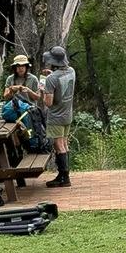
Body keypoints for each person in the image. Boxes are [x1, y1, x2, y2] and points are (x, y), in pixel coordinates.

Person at [38, 44, 77, 187]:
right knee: (65, 144)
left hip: (56, 116)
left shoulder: (51, 79)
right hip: (68, 114)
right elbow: (61, 81)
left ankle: (63, 178)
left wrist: (43, 90)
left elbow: (48, 103)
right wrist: (51, 76)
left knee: (58, 145)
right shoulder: (71, 71)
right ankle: (65, 174)